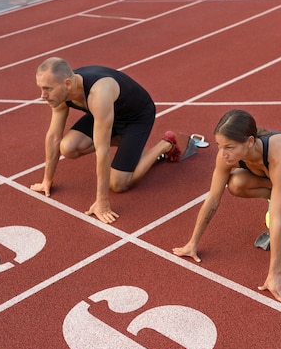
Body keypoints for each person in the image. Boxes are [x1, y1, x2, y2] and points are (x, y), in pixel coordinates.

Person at [173, 109, 281, 303]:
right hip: (273, 176)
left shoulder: (279, 154)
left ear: (249, 141)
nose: (223, 154)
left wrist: (275, 275)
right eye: (219, 146)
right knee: (236, 184)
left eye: (229, 147)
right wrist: (192, 243)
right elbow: (213, 199)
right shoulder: (227, 155)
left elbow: (277, 218)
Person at [31, 57, 184, 224]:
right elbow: (54, 137)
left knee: (118, 184)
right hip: (105, 116)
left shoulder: (99, 93)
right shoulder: (60, 93)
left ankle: (165, 144)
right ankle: (130, 146)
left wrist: (102, 201)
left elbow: (102, 149)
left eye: (47, 89)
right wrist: (47, 179)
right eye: (41, 88)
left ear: (67, 83)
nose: (42, 96)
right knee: (67, 148)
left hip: (135, 118)